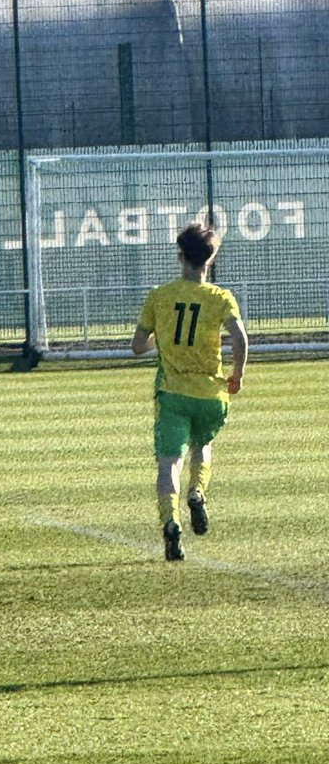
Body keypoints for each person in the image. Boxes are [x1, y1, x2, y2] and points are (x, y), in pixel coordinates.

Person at [131, 221, 248, 562]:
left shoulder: (160, 296)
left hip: (173, 393)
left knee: (169, 463)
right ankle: (197, 492)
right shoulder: (220, 298)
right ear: (210, 259)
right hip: (211, 392)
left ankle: (171, 523)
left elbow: (138, 346)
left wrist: (160, 336)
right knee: (203, 447)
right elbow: (239, 337)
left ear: (180, 256)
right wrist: (237, 373)